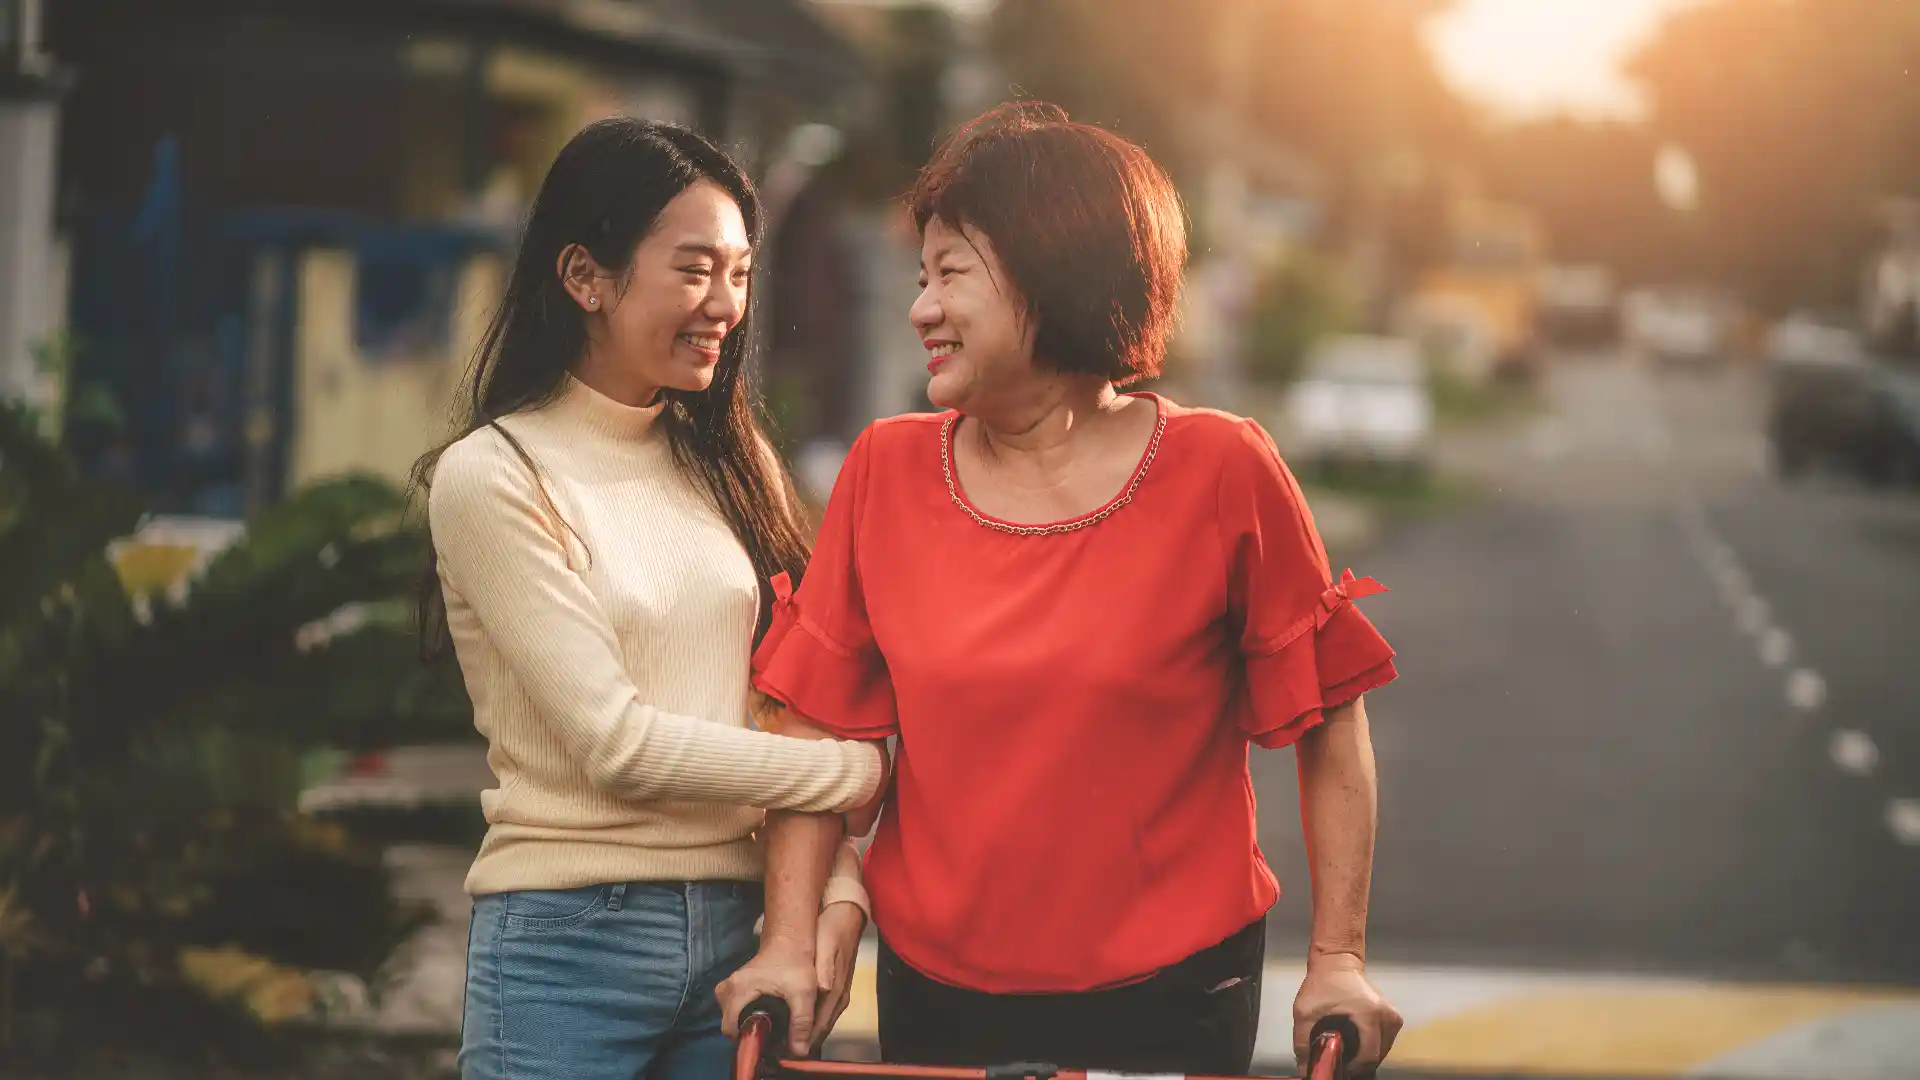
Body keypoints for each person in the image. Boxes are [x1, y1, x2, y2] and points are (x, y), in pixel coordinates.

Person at [718, 102, 1406, 1076]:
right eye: (922, 276)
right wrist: (788, 941)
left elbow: (1330, 718)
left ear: (1058, 266)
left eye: (951, 272)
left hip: (1172, 990)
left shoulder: (1222, 468)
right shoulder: (885, 471)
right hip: (937, 988)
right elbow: (815, 729)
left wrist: (1338, 959)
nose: (922, 308)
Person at [413, 118, 887, 1080]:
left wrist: (837, 894)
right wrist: (861, 776)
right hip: (566, 946)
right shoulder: (495, 476)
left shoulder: (729, 458)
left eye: (742, 273)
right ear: (585, 276)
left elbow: (780, 702)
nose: (726, 304)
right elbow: (617, 747)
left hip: (734, 937)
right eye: (694, 268)